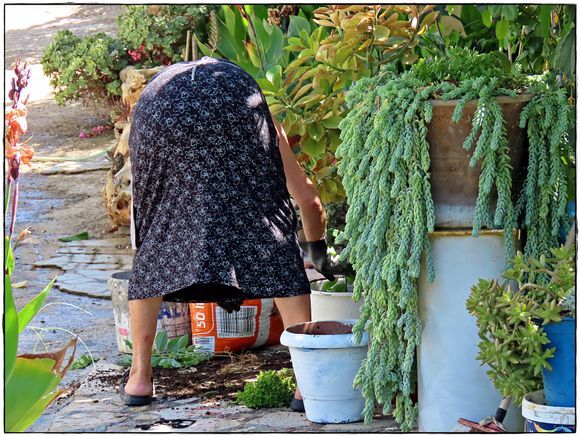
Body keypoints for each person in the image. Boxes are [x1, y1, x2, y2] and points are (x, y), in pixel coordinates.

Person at [121, 57, 349, 411]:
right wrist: (316, 251)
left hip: (155, 116)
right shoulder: (261, 120)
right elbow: (307, 200)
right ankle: (306, 383)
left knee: (156, 246)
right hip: (172, 111)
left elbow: (144, 213)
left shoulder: (160, 109)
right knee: (277, 243)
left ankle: (139, 377)